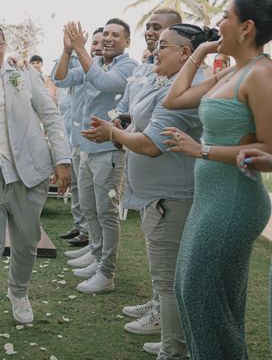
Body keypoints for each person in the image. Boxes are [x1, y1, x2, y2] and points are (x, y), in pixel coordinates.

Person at [82, 23, 213, 359]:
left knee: (168, 281)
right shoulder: (173, 81)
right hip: (159, 194)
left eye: (164, 45)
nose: (156, 50)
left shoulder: (185, 91)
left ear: (186, 53)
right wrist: (125, 123)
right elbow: (143, 121)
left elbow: (153, 144)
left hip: (171, 194)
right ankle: (174, 339)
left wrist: (113, 133)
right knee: (167, 278)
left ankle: (173, 351)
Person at [162, 0, 272, 359]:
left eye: (225, 16)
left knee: (200, 293)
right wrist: (201, 52)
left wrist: (202, 150)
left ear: (246, 27)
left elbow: (270, 153)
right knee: (189, 291)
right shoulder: (234, 70)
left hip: (236, 202)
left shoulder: (261, 74)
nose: (217, 23)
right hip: (211, 200)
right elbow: (174, 99)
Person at [0, 21, 72, 356]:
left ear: (5, 46)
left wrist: (62, 160)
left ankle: (18, 291)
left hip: (27, 174)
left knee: (26, 243)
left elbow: (51, 116)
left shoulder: (24, 76)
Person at [54, 19, 138, 294]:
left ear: (127, 41)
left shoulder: (128, 66)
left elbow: (103, 84)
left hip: (109, 151)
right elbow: (61, 78)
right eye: (106, 35)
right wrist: (68, 51)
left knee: (106, 212)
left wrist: (80, 49)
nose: (108, 40)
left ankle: (107, 271)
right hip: (86, 148)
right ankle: (96, 254)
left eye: (116, 35)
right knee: (90, 208)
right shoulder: (96, 62)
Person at [115, 9, 182, 332]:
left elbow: (155, 136)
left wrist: (115, 132)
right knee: (156, 252)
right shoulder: (153, 70)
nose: (151, 34)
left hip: (168, 184)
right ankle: (156, 301)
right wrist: (123, 120)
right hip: (148, 184)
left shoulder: (179, 81)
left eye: (158, 30)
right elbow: (137, 111)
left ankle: (164, 316)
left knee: (167, 259)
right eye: (150, 28)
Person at [55, 28, 103, 250]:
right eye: (94, 42)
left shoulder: (101, 71)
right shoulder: (79, 68)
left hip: (93, 140)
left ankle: (89, 235)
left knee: (90, 193)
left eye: (101, 43)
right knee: (76, 186)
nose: (97, 46)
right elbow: (59, 79)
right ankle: (80, 225)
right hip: (72, 136)